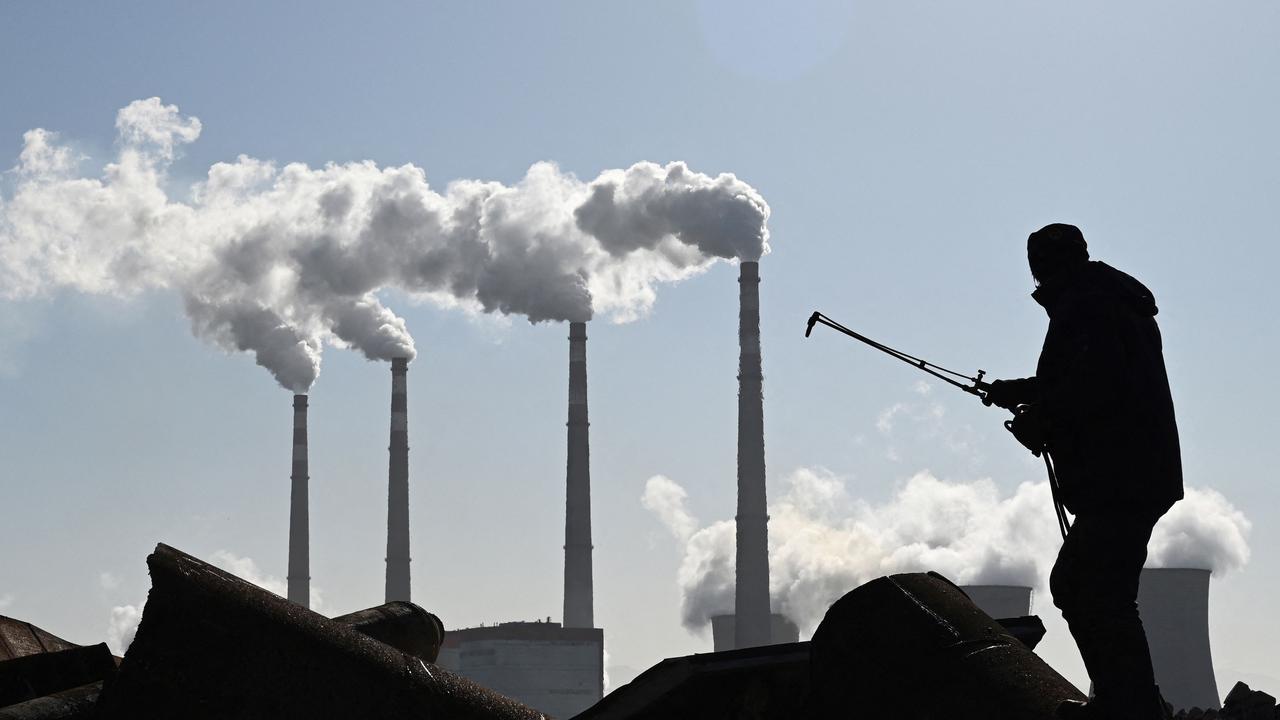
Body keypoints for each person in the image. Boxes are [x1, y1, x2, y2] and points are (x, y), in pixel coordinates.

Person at [983, 223, 1184, 720]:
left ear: (1049, 264)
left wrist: (1041, 418)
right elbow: (1083, 376)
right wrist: (1023, 391)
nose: (1036, 279)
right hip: (1134, 474)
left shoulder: (1088, 306)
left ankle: (1129, 707)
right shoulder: (1105, 301)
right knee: (1095, 589)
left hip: (1121, 478)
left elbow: (1094, 387)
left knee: (1090, 589)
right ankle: (1127, 702)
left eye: (1038, 267)